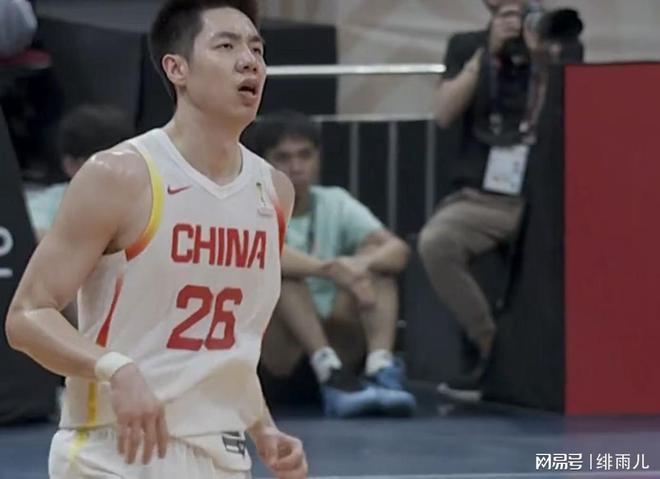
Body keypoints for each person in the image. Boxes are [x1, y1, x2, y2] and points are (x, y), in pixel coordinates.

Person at [5, 1, 308, 478]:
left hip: (221, 455)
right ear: (177, 69)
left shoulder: (273, 191)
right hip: (112, 452)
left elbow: (230, 344)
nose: (249, 61)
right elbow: (26, 316)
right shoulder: (120, 174)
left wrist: (263, 427)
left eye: (257, 49)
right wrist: (115, 368)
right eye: (226, 46)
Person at [244, 111, 416, 418]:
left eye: (304, 155)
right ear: (263, 164)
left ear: (318, 158)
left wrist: (360, 265)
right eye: (283, 158)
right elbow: (264, 253)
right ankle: (327, 371)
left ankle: (380, 368)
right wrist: (330, 269)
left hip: (341, 346)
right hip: (279, 358)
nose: (296, 167)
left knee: (378, 264)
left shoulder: (334, 201)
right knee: (282, 278)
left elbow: (398, 250)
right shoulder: (249, 204)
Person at [418, 0, 532, 399]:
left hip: (542, 197)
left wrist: (540, 55)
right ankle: (491, 346)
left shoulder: (552, 39)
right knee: (436, 242)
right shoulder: (467, 46)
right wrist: (486, 55)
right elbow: (443, 113)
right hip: (484, 197)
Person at [26, 104, 133, 241]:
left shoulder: (148, 199)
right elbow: (30, 232)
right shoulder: (46, 206)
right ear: (70, 165)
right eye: (102, 164)